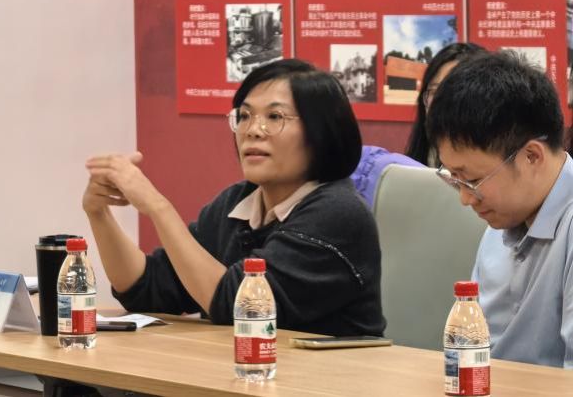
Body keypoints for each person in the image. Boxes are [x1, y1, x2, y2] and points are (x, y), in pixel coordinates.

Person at [83, 58, 385, 337]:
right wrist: (99, 214)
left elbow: (241, 307)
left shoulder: (338, 213)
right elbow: (149, 289)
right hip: (243, 371)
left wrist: (157, 206)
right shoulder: (236, 203)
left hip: (326, 375)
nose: (253, 130)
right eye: (244, 116)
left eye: (274, 116)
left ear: (321, 132)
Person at [426, 50, 573, 368]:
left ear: (531, 156)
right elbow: (473, 351)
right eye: (455, 179)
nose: (465, 199)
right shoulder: (502, 218)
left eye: (472, 180)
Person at [406, 42, 486, 166]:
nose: (441, 102)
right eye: (435, 91)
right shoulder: (415, 162)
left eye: (454, 92)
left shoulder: (498, 163)